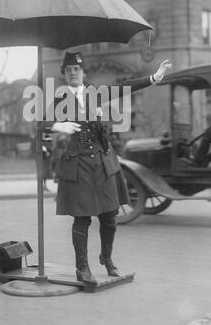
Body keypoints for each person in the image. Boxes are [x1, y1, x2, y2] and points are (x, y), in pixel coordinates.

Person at [43, 51, 172, 284]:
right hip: (78, 164)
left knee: (110, 216)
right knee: (82, 218)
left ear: (84, 73)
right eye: (69, 70)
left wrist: (154, 78)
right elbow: (38, 124)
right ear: (64, 75)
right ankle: (82, 268)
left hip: (103, 161)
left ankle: (107, 257)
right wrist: (57, 125)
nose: (73, 73)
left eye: (77, 70)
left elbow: (125, 86)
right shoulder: (59, 100)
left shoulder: (95, 94)